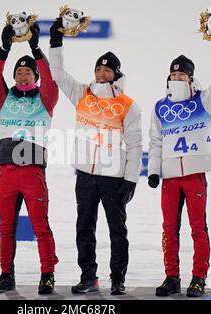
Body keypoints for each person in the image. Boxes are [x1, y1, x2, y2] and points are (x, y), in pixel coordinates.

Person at [49, 18, 143, 295]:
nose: (101, 74)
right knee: (84, 228)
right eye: (98, 69)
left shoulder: (128, 105)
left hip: (114, 177)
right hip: (86, 175)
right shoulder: (82, 94)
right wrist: (56, 40)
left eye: (107, 70)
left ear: (116, 74)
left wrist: (131, 180)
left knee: (117, 230)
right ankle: (89, 277)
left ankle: (118, 279)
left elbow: (136, 145)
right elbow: (57, 72)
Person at [147, 32, 211, 297]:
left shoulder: (204, 101)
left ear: (191, 78)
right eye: (174, 75)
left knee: (198, 228)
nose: (177, 78)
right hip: (170, 177)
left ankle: (198, 278)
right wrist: (152, 171)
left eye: (182, 74)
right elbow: (156, 141)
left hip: (194, 175)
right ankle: (171, 277)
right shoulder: (161, 107)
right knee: (169, 229)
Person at [0, 22, 59, 295]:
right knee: (6, 227)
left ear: (36, 76)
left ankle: (47, 274)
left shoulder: (46, 98)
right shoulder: (4, 98)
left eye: (29, 72)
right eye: (20, 71)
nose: (24, 75)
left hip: (32, 172)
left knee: (40, 226)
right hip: (7, 171)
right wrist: (4, 49)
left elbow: (52, 80)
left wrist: (35, 48)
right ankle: (6, 274)